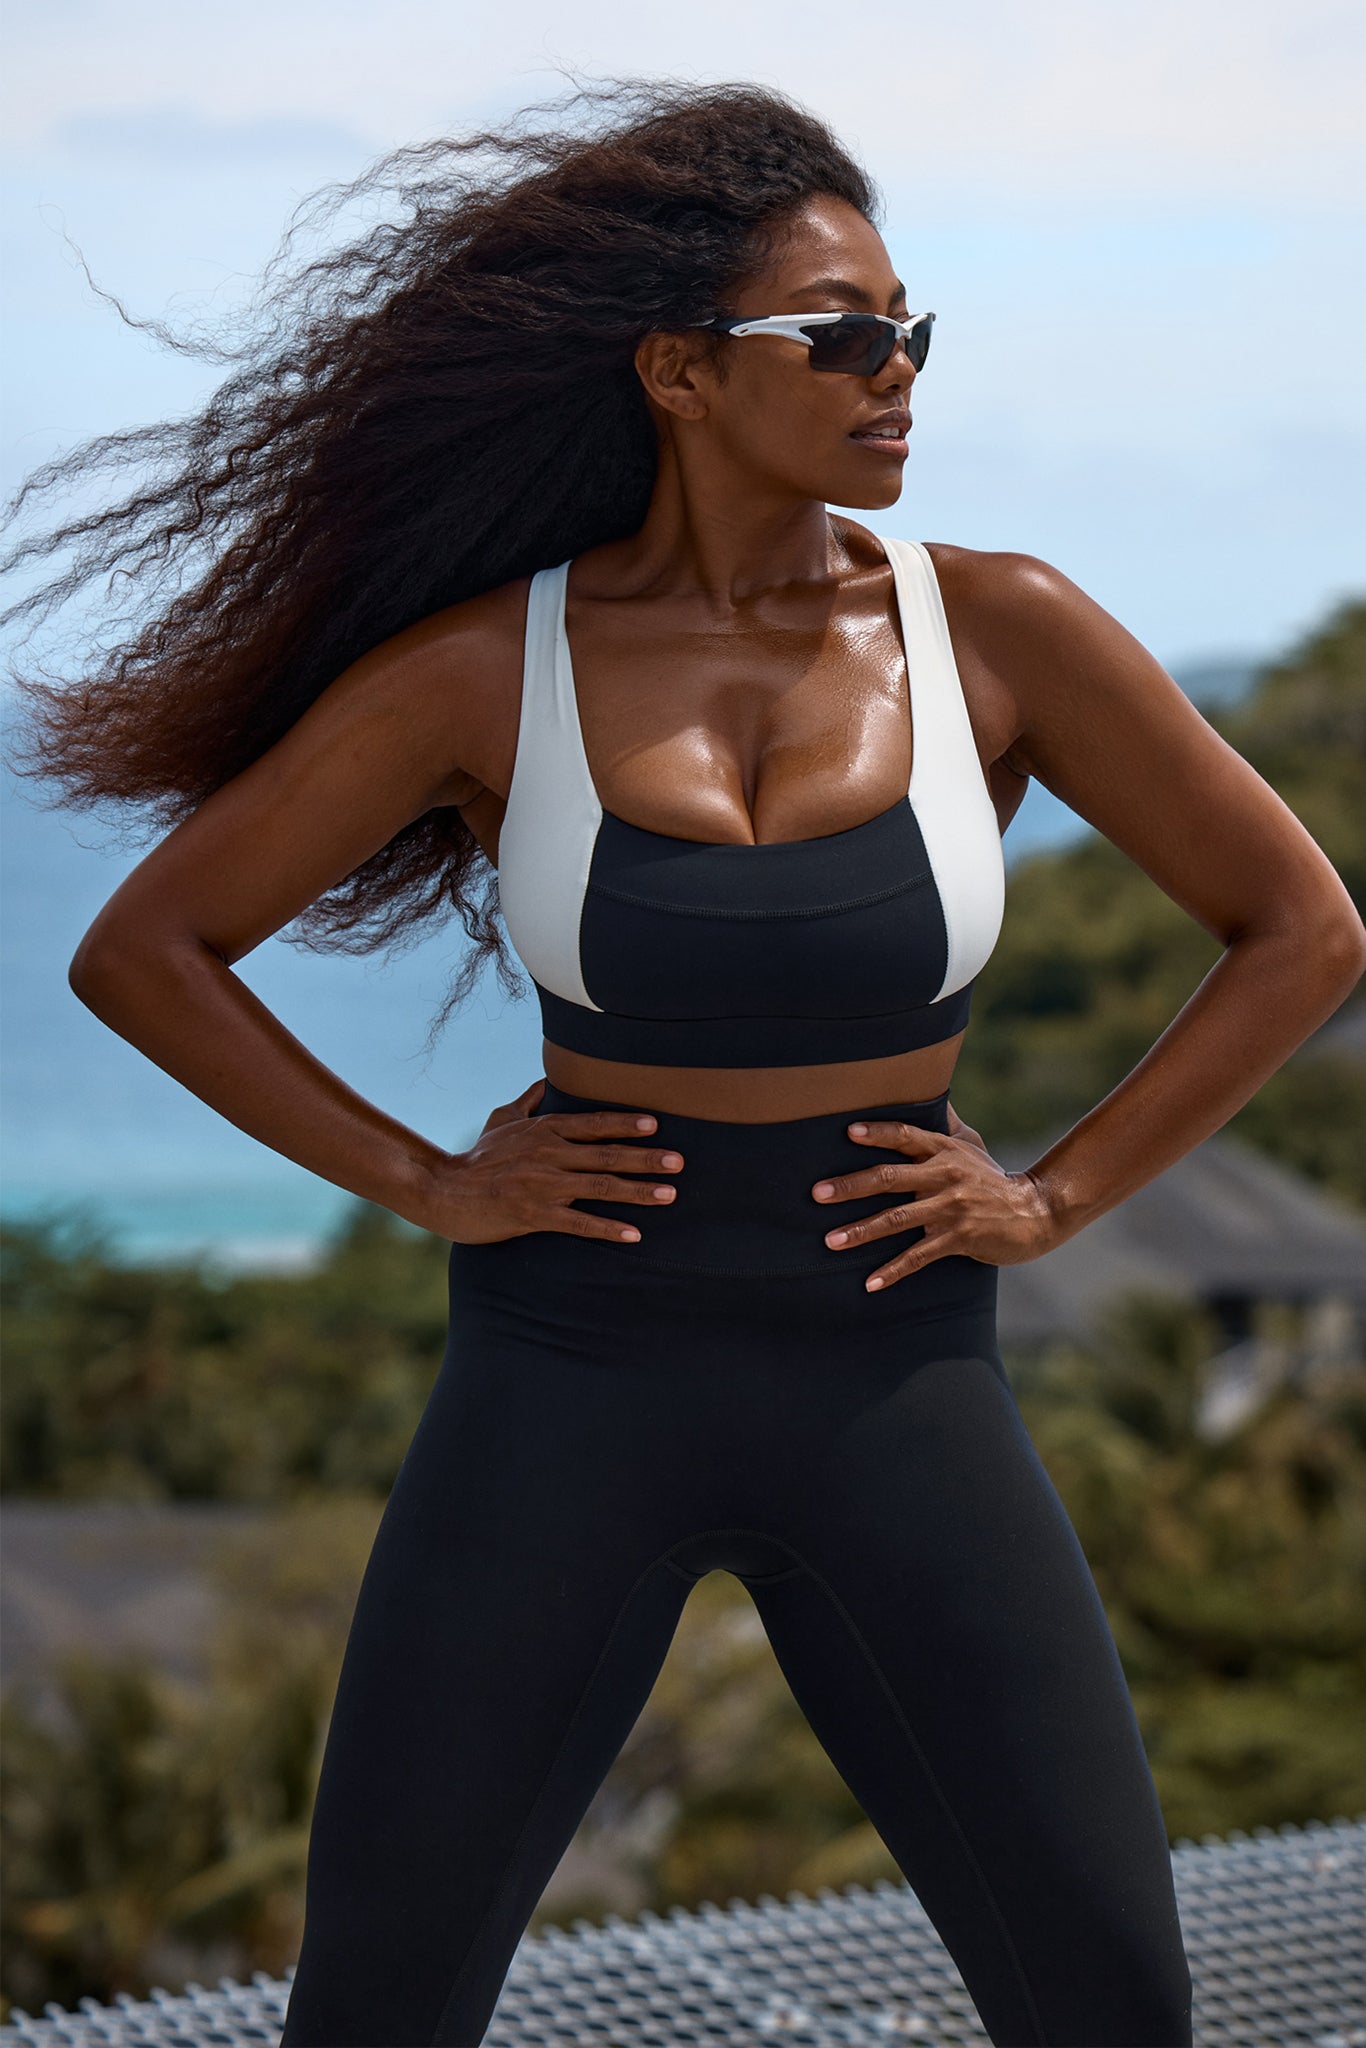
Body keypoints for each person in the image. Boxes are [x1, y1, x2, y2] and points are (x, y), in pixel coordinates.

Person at [9, 80, 1363, 2048]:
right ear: (674, 373)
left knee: (1103, 2001)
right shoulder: (490, 668)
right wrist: (424, 1178)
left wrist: (1056, 1191)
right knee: (379, 2005)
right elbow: (146, 950)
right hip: (568, 1366)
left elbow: (1301, 926)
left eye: (907, 329)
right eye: (837, 335)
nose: (891, 374)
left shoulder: (1000, 632)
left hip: (894, 1354)